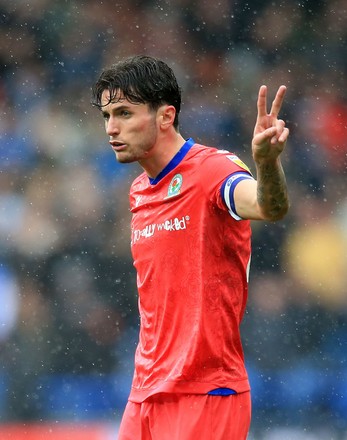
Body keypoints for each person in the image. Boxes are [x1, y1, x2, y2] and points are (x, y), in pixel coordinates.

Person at [91, 55, 289, 440]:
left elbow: (270, 207)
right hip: (145, 394)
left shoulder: (214, 170)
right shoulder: (138, 191)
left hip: (207, 392)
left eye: (124, 114)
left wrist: (265, 163)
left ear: (165, 116)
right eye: (106, 116)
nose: (111, 128)